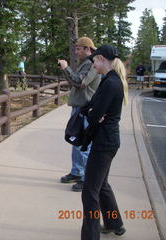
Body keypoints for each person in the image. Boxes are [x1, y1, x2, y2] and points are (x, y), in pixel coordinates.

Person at [81, 44, 128, 240]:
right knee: (102, 185)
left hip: (104, 143)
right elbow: (90, 108)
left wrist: (93, 113)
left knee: (89, 191)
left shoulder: (111, 83)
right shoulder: (110, 79)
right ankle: (114, 223)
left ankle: (90, 236)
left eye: (94, 61)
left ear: (101, 59)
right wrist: (91, 112)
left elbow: (93, 115)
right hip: (107, 141)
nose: (93, 65)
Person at [58, 37, 101, 192]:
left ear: (87, 49)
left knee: (84, 144)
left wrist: (66, 67)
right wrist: (66, 70)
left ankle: (86, 178)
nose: (76, 52)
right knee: (77, 141)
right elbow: (74, 82)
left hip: (85, 109)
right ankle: (77, 172)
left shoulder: (91, 64)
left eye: (78, 49)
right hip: (78, 108)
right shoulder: (86, 63)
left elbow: (80, 83)